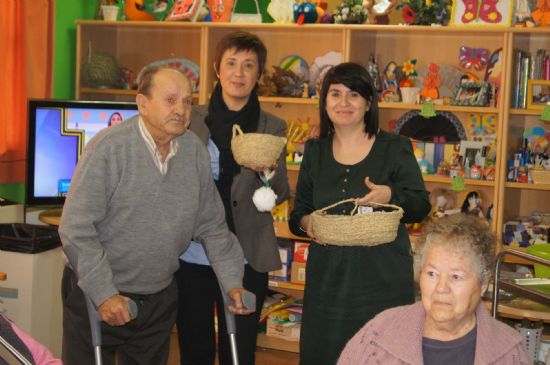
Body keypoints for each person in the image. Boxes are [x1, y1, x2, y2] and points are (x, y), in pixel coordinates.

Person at [59, 66, 252, 365]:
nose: (181, 109)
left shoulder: (194, 152)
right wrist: (104, 293)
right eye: (170, 99)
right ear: (142, 104)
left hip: (159, 296)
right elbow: (76, 228)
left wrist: (232, 283)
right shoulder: (109, 148)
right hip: (98, 293)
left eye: (187, 101)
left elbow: (213, 226)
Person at [289, 62, 431, 365]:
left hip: (381, 282)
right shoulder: (315, 150)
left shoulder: (394, 148)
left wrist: (390, 195)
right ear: (324, 101)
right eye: (335, 94)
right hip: (327, 284)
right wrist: (307, 221)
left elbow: (420, 205)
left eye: (353, 95)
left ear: (368, 103)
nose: (343, 103)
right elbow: (298, 211)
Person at [176, 31, 290, 365]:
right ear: (217, 68)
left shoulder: (272, 125)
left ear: (258, 74)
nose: (238, 73)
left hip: (247, 254)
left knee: (239, 351)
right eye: (231, 63)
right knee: (194, 347)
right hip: (192, 253)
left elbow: (279, 193)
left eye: (248, 65)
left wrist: (267, 172)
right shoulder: (190, 120)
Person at [337, 214, 530, 365]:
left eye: (456, 277)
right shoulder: (377, 337)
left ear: (483, 285)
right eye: (431, 274)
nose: (441, 288)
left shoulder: (509, 353)